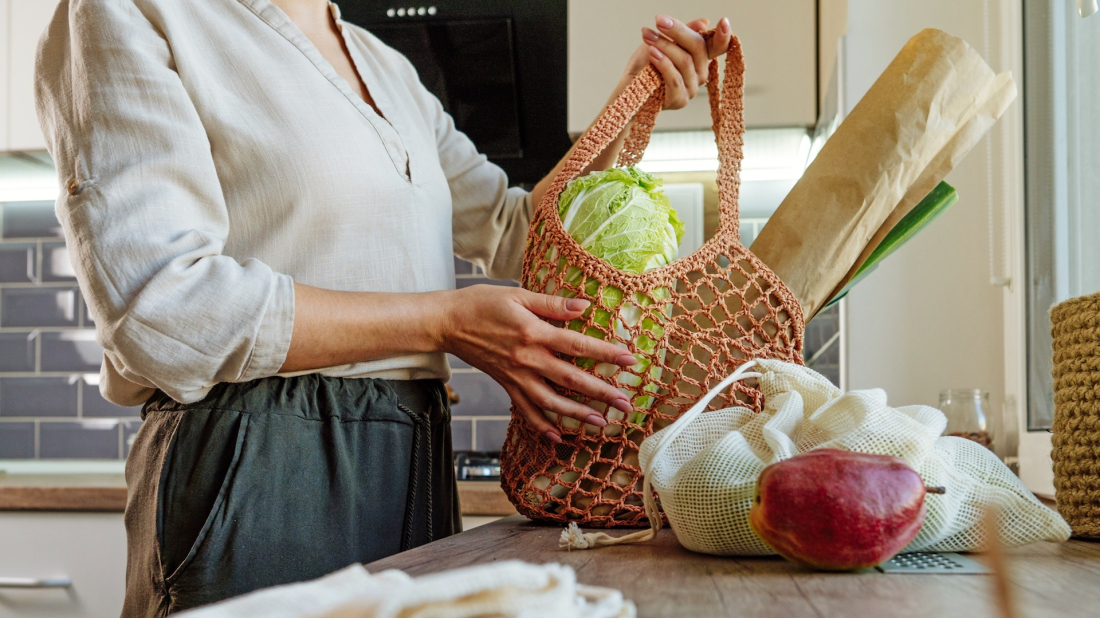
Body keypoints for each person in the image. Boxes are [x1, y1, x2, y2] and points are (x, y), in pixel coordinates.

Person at [34, 1, 732, 615]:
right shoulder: (130, 10)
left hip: (411, 450)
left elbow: (517, 234)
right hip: (253, 460)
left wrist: (629, 96)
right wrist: (442, 320)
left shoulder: (385, 67)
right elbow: (160, 312)